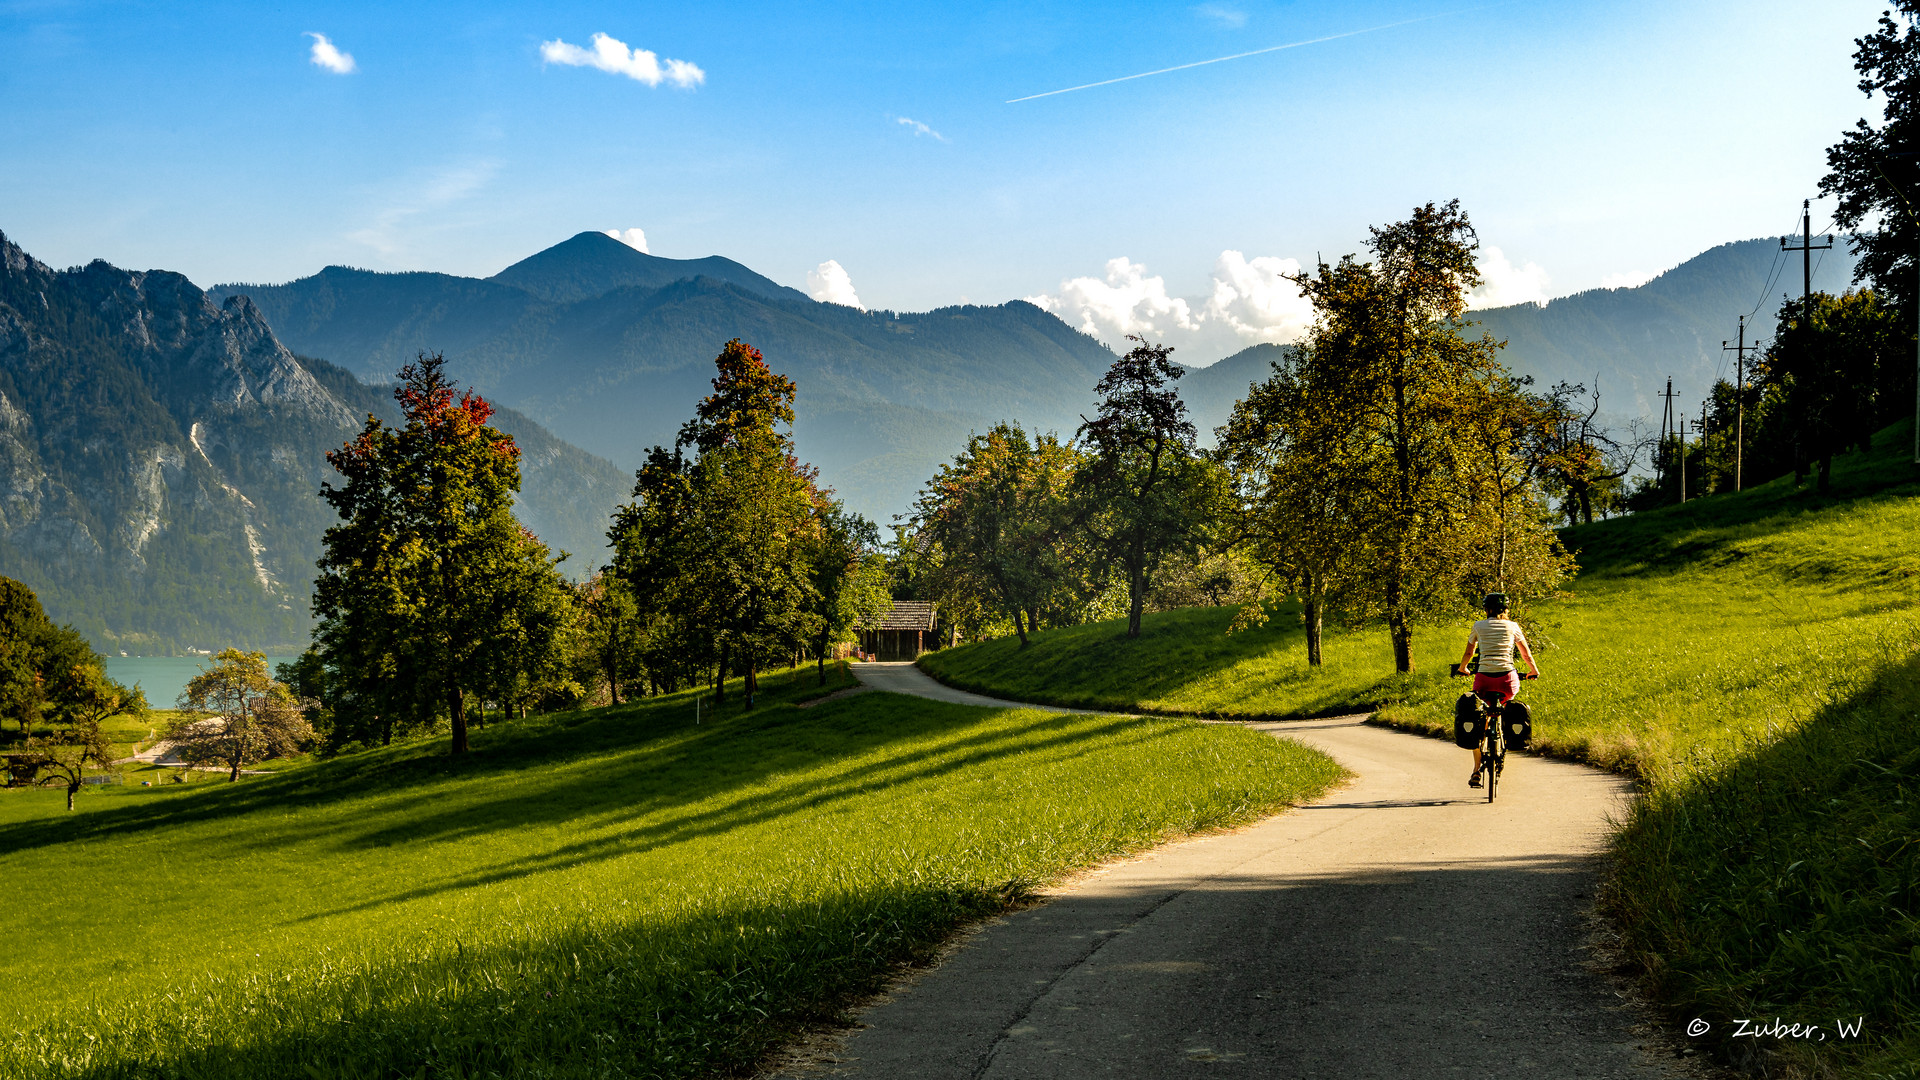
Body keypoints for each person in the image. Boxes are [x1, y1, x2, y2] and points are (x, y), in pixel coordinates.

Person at [1455, 592, 1539, 788]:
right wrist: (1533, 670)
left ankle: (1476, 771)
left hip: (1484, 680)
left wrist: (1463, 668)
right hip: (1507, 680)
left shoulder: (1479, 625)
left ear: (1486, 609)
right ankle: (1503, 738)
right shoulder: (1513, 627)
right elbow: (1525, 653)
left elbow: (1470, 651)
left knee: (1479, 719)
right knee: (1506, 706)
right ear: (1506, 609)